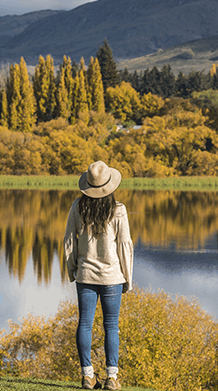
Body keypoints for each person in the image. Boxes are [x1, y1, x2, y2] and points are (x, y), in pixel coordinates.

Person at [64, 160, 134, 390]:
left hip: (85, 275)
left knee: (84, 324)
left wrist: (71, 269)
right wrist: (128, 278)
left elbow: (69, 241)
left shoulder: (78, 206)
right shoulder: (119, 210)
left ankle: (87, 375)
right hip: (112, 277)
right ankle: (111, 378)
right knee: (111, 326)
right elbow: (125, 245)